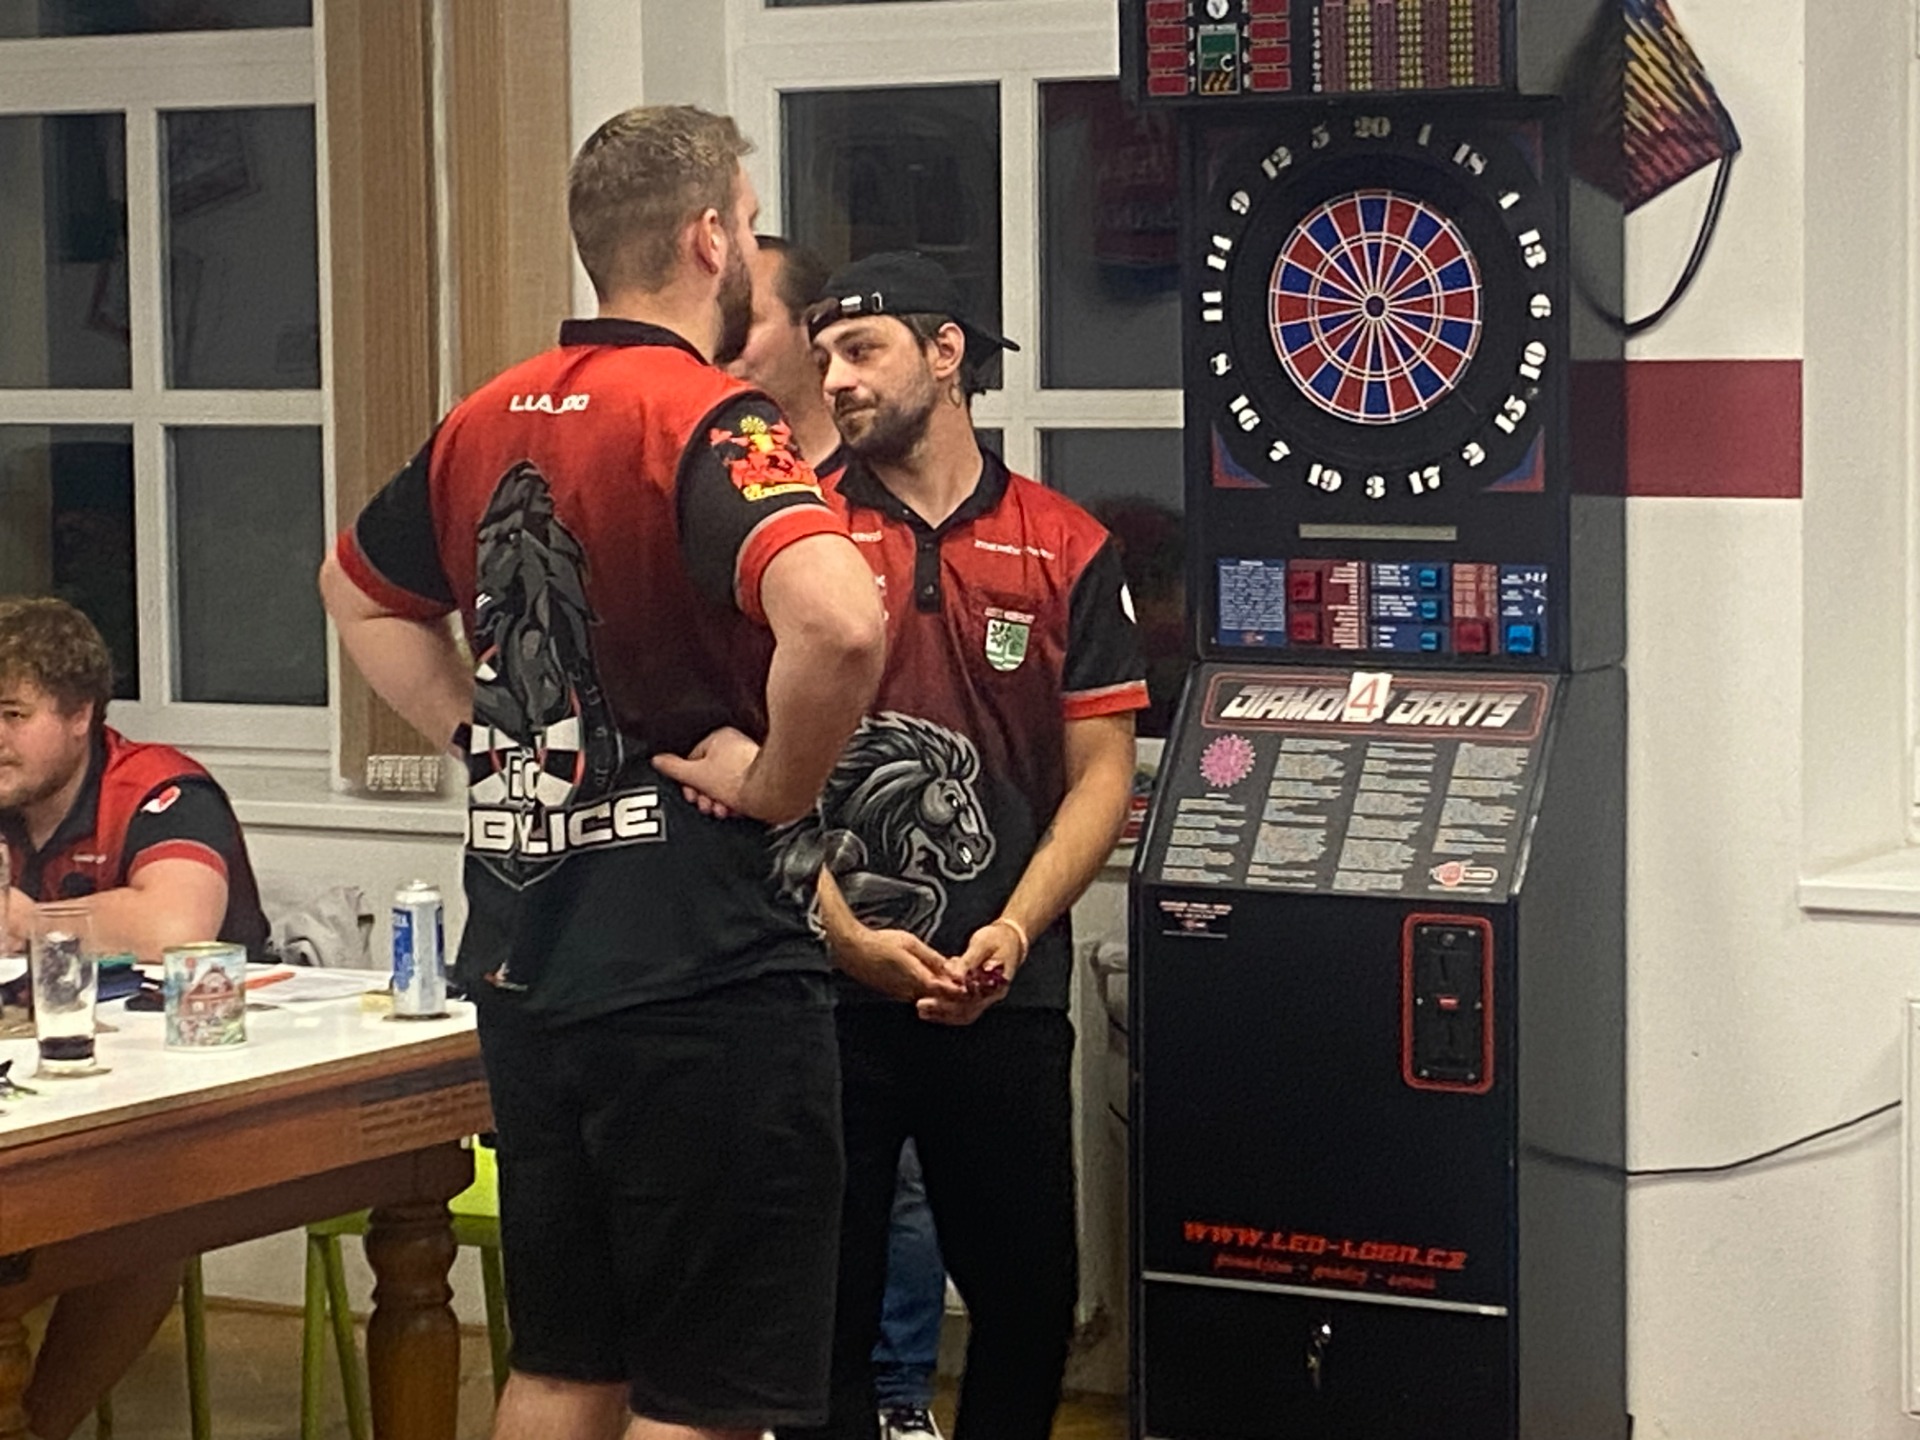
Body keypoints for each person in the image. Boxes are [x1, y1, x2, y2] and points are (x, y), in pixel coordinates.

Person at [317, 105, 887, 1440]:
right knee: (708, 1397)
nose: (750, 247)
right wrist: (779, 787)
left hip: (532, 963)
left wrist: (484, 737)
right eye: (749, 222)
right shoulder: (706, 418)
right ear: (709, 239)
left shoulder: (485, 414)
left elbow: (356, 593)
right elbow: (842, 620)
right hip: (703, 964)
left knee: (567, 1363)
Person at [769, 251, 1148, 1440]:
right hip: (821, 994)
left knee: (1029, 1307)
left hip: (1002, 993)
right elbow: (751, 768)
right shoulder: (793, 536)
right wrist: (844, 936)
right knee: (818, 1318)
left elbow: (1102, 772)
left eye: (861, 349)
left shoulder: (1067, 543)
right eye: (823, 356)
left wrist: (1016, 930)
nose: (835, 378)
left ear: (946, 355)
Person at [729, 238, 949, 1440]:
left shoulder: (874, 504)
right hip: (759, 909)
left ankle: (900, 1397)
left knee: (895, 1182)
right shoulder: (737, 494)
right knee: (788, 1185)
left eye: (750, 319)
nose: (728, 343)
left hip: (890, 905)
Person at [0, 595, 269, 1440]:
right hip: (39, 1075)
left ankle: (38, 1425)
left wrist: (26, 920)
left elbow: (176, 922)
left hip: (203, 1081)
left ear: (81, 714)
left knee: (151, 1214)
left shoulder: (159, 787)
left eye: (12, 715)